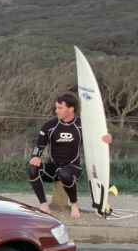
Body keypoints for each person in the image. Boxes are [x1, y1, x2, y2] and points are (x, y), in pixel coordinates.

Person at [28, 91, 112, 219]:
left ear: (71, 108)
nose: (56, 110)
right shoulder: (50, 126)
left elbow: (99, 139)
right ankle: (44, 205)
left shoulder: (82, 125)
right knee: (32, 168)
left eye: (60, 108)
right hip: (52, 168)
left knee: (65, 173)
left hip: (72, 168)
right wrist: (35, 157)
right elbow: (39, 146)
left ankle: (74, 205)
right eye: (56, 107)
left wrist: (106, 138)